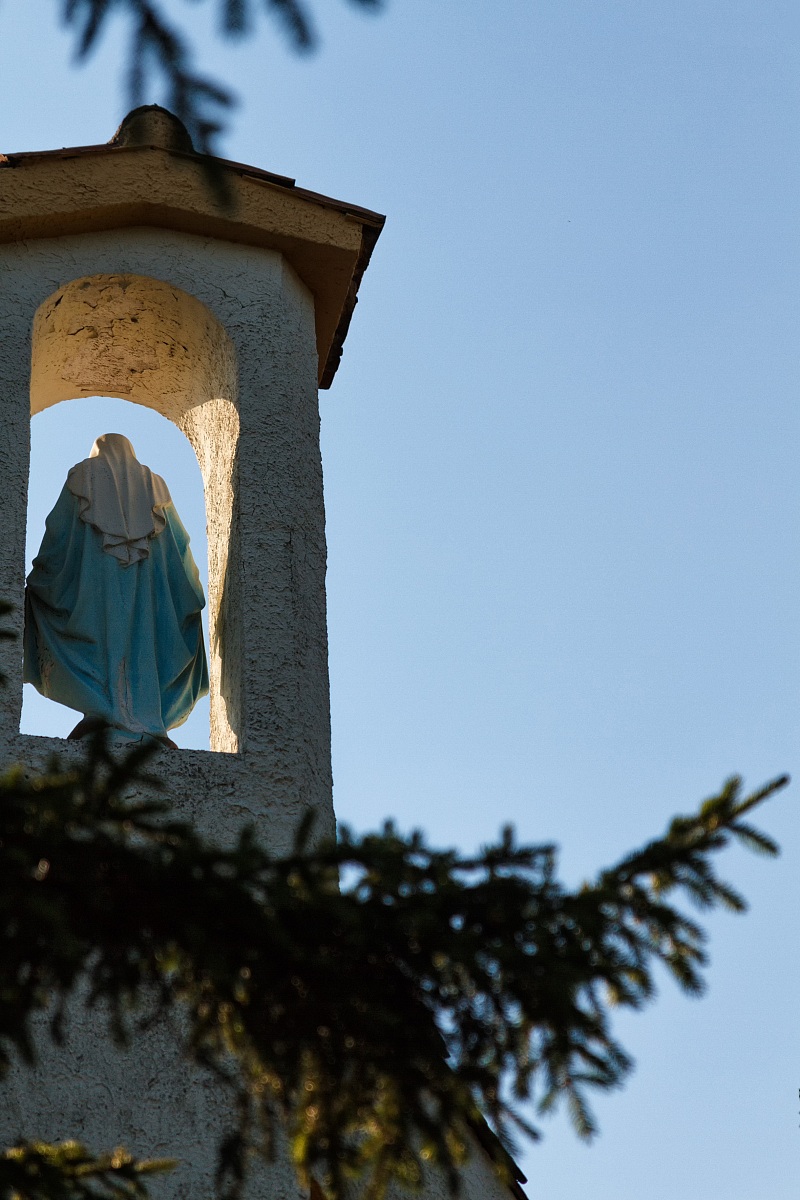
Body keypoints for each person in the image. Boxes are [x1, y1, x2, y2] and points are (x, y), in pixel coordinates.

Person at [24, 433, 209, 745]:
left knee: (104, 638)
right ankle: (141, 714)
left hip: (93, 584)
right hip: (147, 591)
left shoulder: (82, 476)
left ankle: (104, 709)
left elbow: (59, 536)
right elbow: (178, 551)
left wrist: (44, 580)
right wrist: (182, 596)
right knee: (142, 640)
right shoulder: (154, 485)